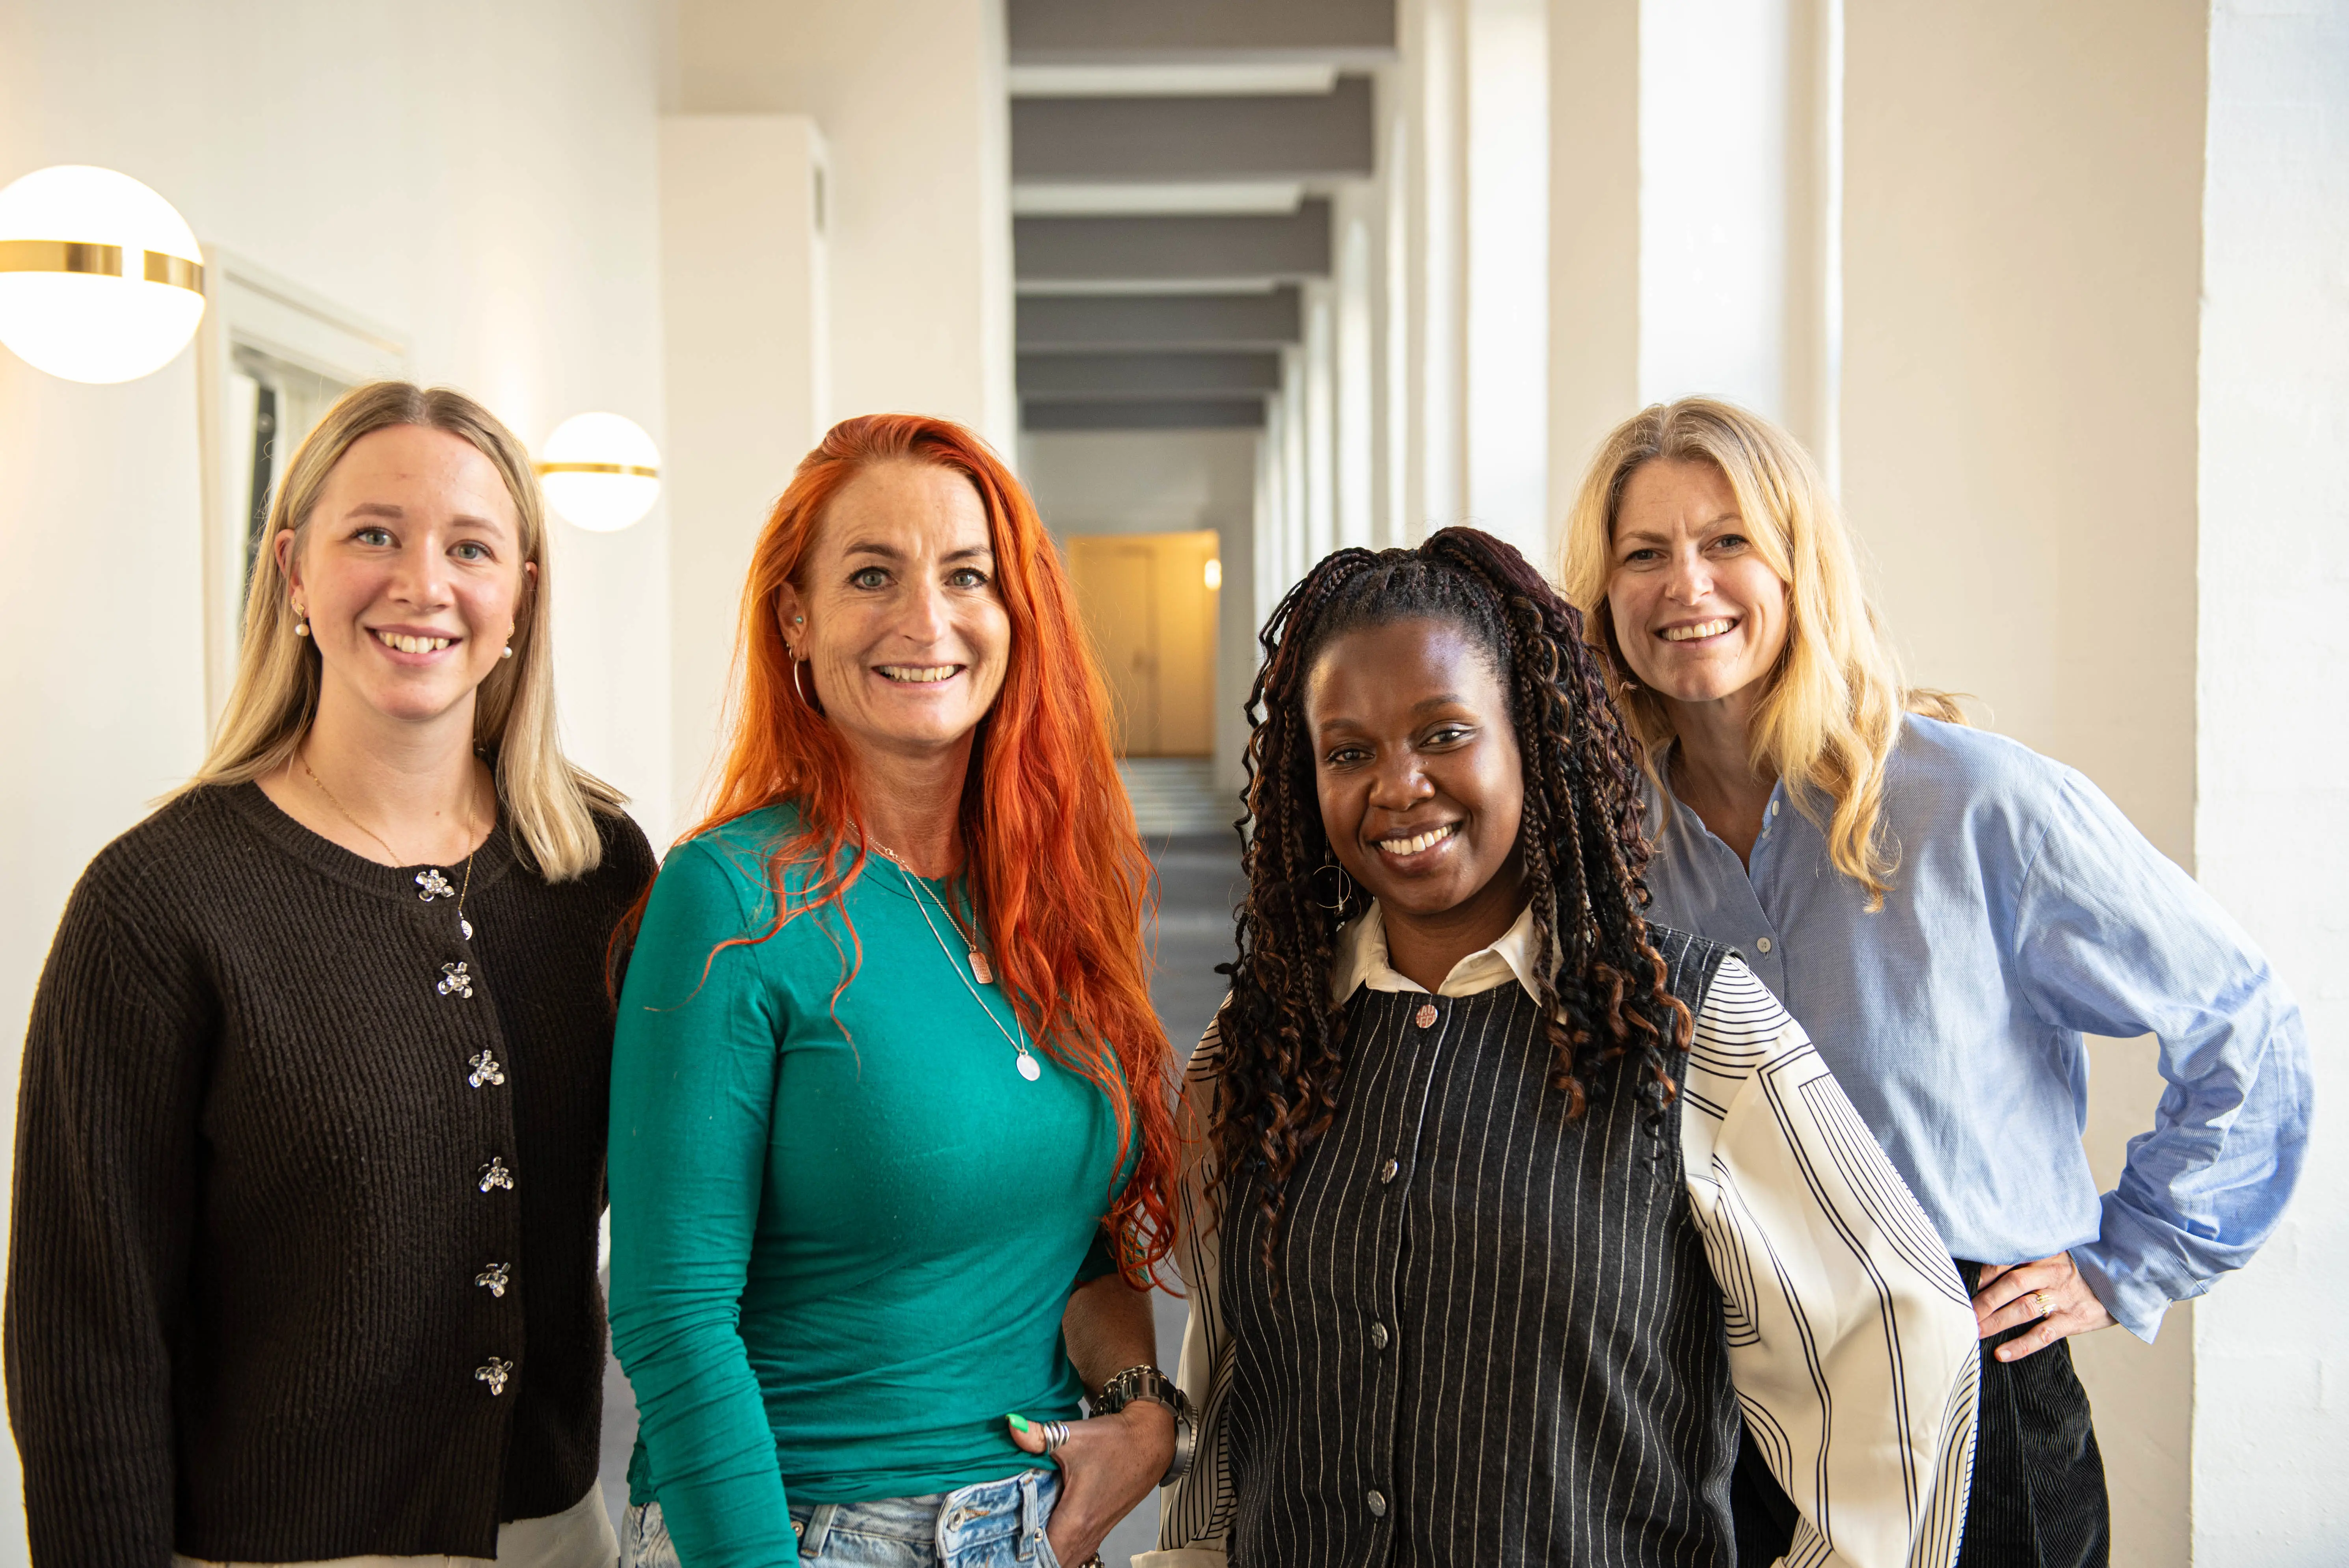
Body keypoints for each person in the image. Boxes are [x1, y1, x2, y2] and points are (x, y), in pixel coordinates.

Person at [1559, 396, 2312, 1568]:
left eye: (1729, 542)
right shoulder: (1608, 844)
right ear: (1603, 593)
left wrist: (2129, 1262)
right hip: (1714, 1386)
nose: (1684, 584)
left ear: (1800, 565)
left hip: (1973, 1380)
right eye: (1643, 554)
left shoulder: (1973, 805)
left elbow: (2242, 1025)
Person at [1147, 529, 1979, 1568]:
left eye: (1444, 734)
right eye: (1349, 752)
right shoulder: (1260, 1046)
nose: (1398, 786)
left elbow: (1896, 1340)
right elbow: (1227, 1391)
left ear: (1531, 744)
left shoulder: (1691, 1026)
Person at [6, 382, 654, 1567]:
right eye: (375, 535)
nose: (423, 585)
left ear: (520, 598)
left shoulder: (599, 871)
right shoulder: (157, 903)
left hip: (563, 1533)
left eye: (471, 547)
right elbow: (84, 1333)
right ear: (294, 570)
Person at [608, 413, 1188, 1568]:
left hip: (1029, 1527)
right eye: (872, 575)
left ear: (1016, 613)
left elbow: (1065, 1224)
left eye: (965, 575)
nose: (926, 621)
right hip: (798, 1531)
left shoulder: (1057, 894)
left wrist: (1140, 1408)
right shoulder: (730, 901)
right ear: (798, 621)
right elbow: (671, 1320)